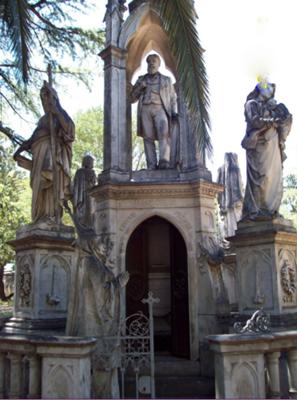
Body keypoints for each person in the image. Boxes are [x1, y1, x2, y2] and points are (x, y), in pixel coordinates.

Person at [14, 81, 75, 223]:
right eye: (42, 98)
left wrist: (57, 112)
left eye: (47, 97)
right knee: (38, 186)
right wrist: (19, 151)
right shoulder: (43, 119)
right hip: (38, 156)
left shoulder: (60, 114)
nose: (44, 101)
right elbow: (32, 139)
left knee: (49, 182)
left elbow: (70, 131)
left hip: (51, 154)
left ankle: (51, 216)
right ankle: (39, 216)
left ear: (53, 98)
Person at [241, 81, 292, 219]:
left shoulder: (274, 107)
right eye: (267, 87)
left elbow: (286, 122)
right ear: (259, 89)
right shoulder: (251, 104)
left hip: (273, 145)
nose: (270, 90)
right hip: (259, 146)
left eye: (271, 88)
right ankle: (258, 210)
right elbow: (255, 121)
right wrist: (273, 120)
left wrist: (282, 117)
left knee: (275, 178)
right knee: (262, 177)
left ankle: (271, 209)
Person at [130, 54, 178, 170]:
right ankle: (151, 164)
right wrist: (140, 87)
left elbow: (172, 98)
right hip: (145, 109)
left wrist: (173, 112)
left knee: (164, 133)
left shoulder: (166, 80)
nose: (151, 63)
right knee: (148, 137)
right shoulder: (141, 79)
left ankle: (164, 161)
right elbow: (131, 98)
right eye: (149, 61)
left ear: (159, 64)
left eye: (154, 61)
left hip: (161, 108)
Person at [72, 154, 97, 229]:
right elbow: (76, 185)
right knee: (85, 210)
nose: (92, 163)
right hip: (84, 195)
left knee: (91, 211)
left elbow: (94, 182)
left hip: (90, 195)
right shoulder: (80, 172)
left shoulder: (91, 172)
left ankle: (90, 226)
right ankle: (85, 226)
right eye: (91, 161)